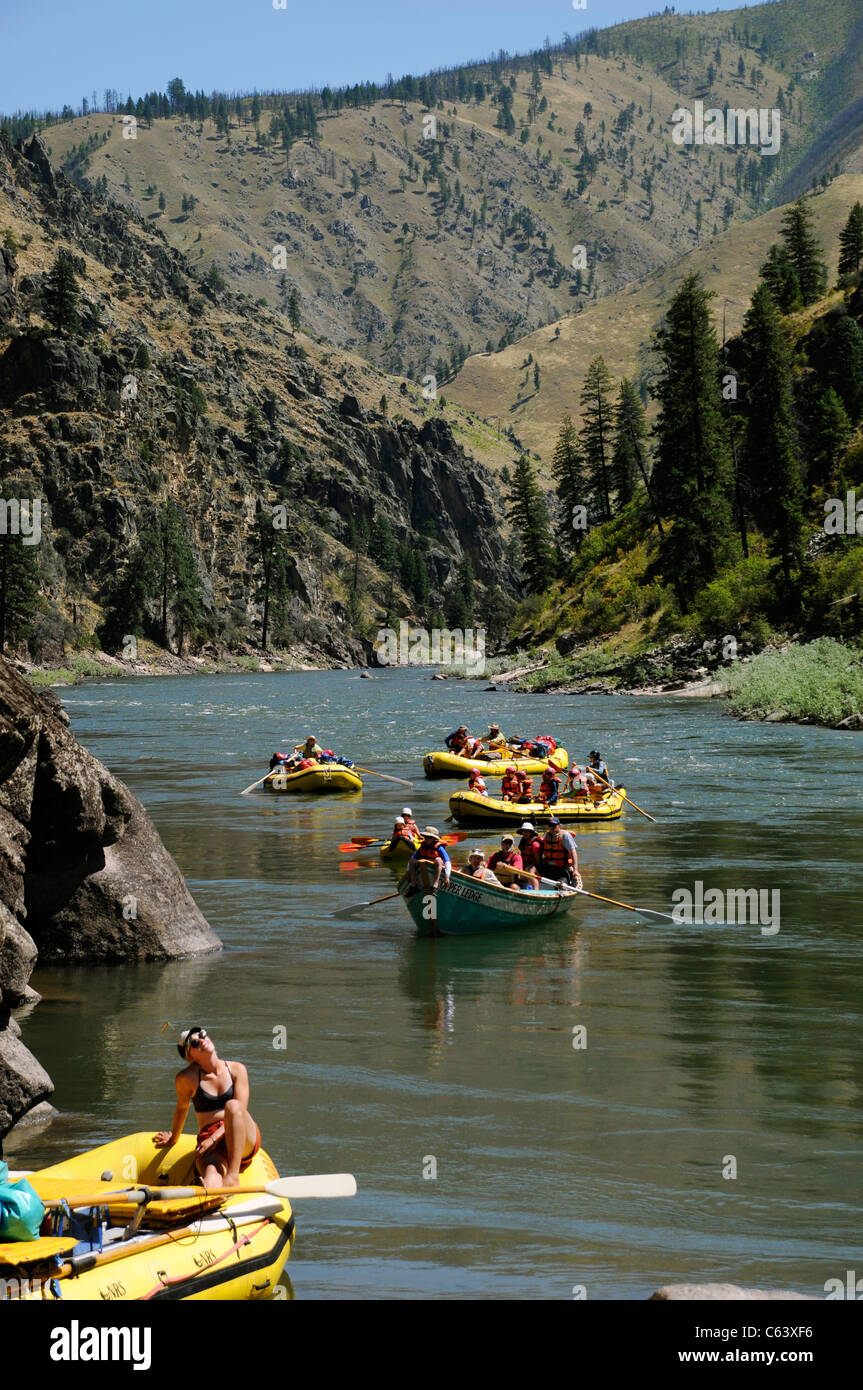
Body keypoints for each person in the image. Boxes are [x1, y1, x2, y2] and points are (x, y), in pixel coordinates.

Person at [153, 1027, 261, 1190]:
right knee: (211, 1172)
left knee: (232, 1106)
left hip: (241, 1134)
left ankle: (233, 1177)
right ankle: (207, 1196)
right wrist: (173, 1138)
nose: (202, 1040)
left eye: (202, 1034)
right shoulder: (186, 1078)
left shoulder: (238, 1070)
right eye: (195, 1042)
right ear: (190, 1056)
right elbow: (182, 1108)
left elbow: (240, 1111)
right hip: (210, 1136)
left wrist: (213, 1139)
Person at [537, 818, 582, 888]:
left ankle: (563, 887)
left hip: (562, 870)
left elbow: (573, 852)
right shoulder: (546, 835)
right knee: (533, 874)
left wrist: (575, 870)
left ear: (559, 826)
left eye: (554, 825)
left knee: (561, 885)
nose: (551, 827)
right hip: (548, 868)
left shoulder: (565, 836)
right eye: (549, 825)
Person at [407, 827, 452, 892]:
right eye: (425, 837)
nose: (427, 839)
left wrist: (447, 876)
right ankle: (413, 885)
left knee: (439, 860)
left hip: (436, 866)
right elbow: (412, 859)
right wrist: (408, 872)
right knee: (412, 860)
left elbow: (447, 862)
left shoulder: (439, 847)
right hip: (424, 865)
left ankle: (435, 885)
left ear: (434, 839)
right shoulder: (423, 846)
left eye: (429, 837)